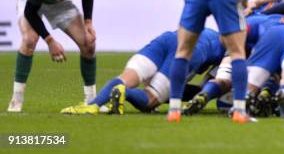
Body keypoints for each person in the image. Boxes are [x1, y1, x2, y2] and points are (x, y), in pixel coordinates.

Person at [8, 0, 98, 113]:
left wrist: (88, 22)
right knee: (29, 40)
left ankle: (91, 100)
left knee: (89, 44)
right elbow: (31, 12)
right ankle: (16, 100)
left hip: (58, 1)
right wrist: (50, 41)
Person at [60, 28, 225, 115]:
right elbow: (206, 89)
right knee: (150, 99)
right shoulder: (229, 53)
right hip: (191, 49)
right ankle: (125, 93)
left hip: (168, 38)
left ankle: (92, 105)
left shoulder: (212, 32)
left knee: (126, 77)